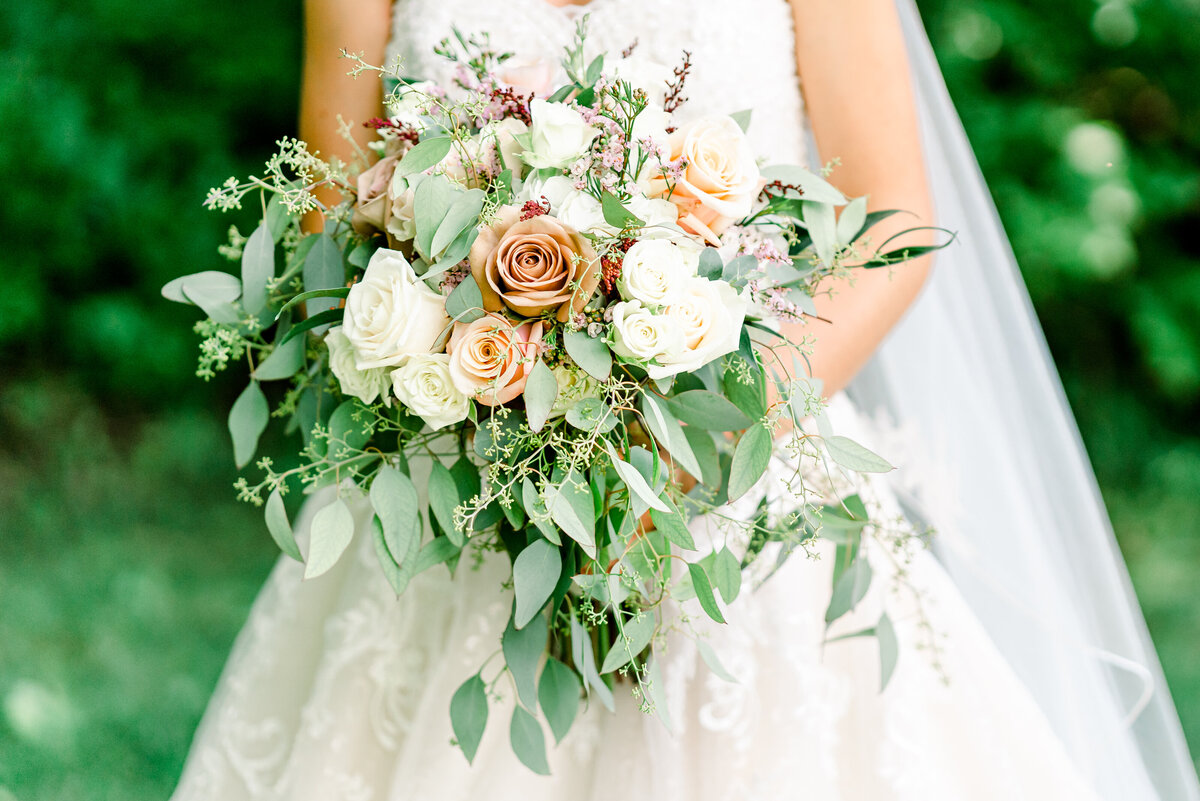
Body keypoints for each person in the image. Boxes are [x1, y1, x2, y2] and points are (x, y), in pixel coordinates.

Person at [171, 0, 1200, 798]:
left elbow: (890, 227)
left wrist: (707, 436)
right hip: (468, 497)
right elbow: (331, 207)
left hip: (742, 495)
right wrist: (475, 361)